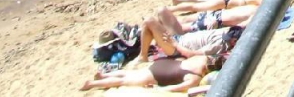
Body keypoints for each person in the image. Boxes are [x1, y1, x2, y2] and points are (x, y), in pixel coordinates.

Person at [137, 11, 242, 63]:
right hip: (181, 37)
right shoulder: (227, 33)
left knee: (148, 21)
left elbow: (193, 55)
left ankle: (143, 57)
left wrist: (174, 43)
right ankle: (154, 39)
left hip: (177, 48)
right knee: (162, 11)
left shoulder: (220, 45)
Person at [80, 54, 222, 91]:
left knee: (131, 74)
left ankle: (104, 75)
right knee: (123, 81)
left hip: (164, 65)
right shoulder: (195, 78)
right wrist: (159, 89)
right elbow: (174, 88)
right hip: (159, 75)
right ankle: (92, 84)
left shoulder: (201, 58)